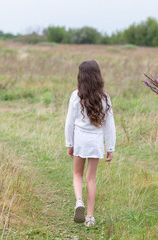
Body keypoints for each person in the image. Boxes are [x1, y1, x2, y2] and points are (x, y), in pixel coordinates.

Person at [65, 59, 116, 227]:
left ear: (81, 76)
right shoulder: (105, 97)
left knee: (77, 174)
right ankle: (89, 217)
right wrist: (110, 147)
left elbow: (69, 122)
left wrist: (69, 143)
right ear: (97, 76)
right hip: (95, 142)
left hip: (80, 139)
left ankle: (79, 201)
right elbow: (110, 125)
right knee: (91, 178)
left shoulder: (76, 95)